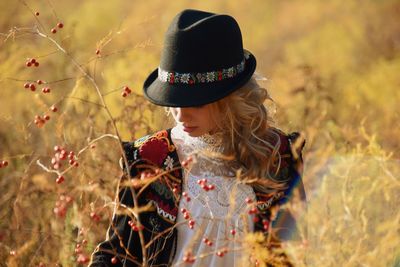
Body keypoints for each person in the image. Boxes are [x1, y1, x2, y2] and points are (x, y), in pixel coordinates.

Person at [90, 9, 306, 267]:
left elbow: (299, 249)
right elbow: (118, 254)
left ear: (229, 99)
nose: (180, 115)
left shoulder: (277, 155)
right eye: (174, 101)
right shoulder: (151, 159)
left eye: (196, 102)